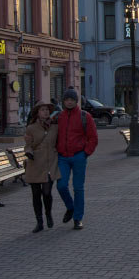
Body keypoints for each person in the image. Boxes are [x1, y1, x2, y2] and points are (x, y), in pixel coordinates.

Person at [55, 88, 97, 230]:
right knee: (61, 185)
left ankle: (78, 218)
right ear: (63, 101)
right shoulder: (59, 117)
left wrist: (85, 153)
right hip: (63, 157)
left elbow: (93, 138)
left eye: (72, 100)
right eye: (67, 100)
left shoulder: (85, 116)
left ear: (76, 101)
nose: (69, 102)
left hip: (79, 156)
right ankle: (70, 207)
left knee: (78, 188)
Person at [23, 102, 59, 232]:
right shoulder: (31, 128)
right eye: (43, 110)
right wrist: (29, 152)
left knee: (47, 192)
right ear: (37, 112)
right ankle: (39, 221)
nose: (45, 112)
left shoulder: (55, 127)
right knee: (36, 194)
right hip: (35, 163)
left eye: (47, 110)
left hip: (50, 163)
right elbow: (28, 144)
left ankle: (48, 214)